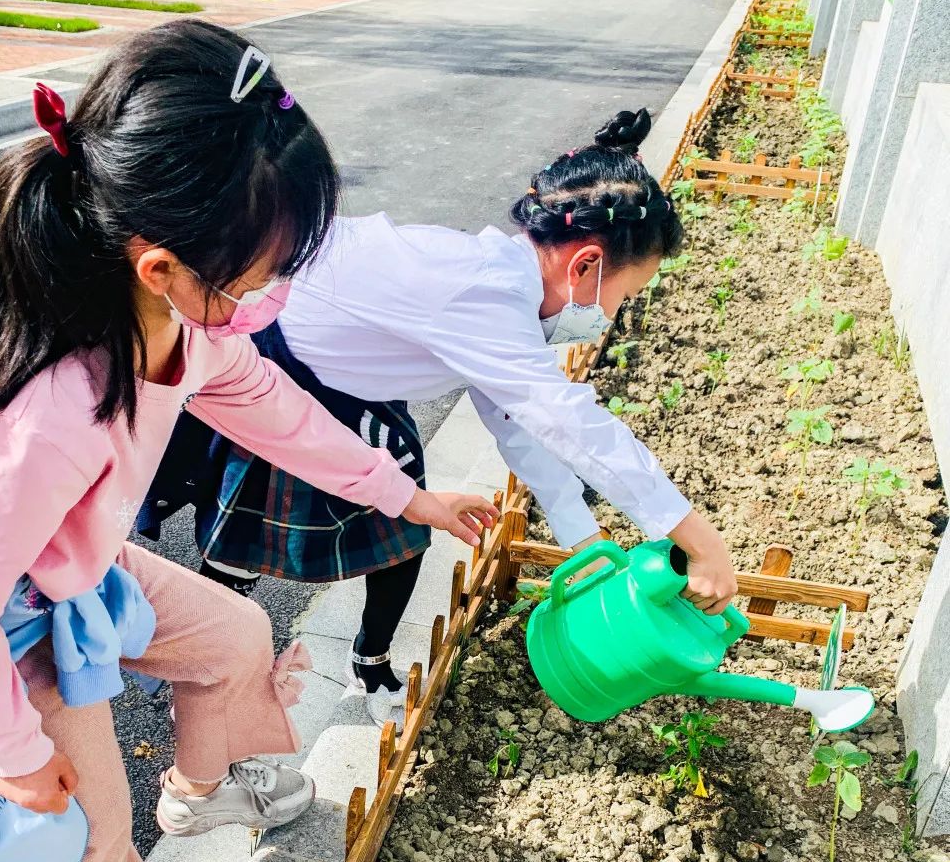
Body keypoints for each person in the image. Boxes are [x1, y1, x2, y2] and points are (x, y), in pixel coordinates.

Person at [0, 21, 495, 862]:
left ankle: (202, 792)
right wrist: (18, 758)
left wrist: (405, 494)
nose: (271, 294)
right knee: (86, 823)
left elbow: (270, 405)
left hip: (61, 558)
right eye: (256, 275)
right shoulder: (35, 419)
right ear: (164, 266)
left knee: (238, 637)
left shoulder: (173, 322)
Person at [144, 107, 737, 729]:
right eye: (625, 294)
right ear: (585, 264)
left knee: (405, 530)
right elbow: (567, 419)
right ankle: (200, 663)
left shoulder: (503, 290)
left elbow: (515, 418)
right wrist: (698, 538)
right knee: (250, 542)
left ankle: (367, 665)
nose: (613, 313)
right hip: (282, 369)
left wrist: (580, 535)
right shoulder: (483, 296)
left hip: (356, 386)